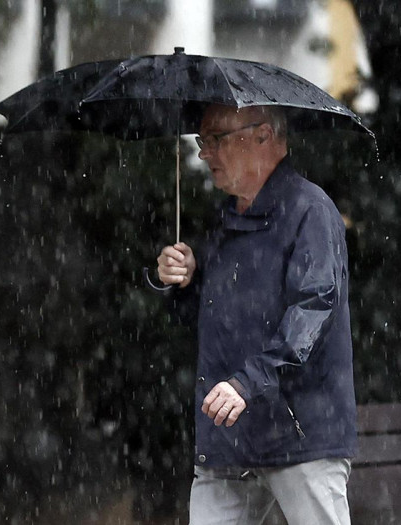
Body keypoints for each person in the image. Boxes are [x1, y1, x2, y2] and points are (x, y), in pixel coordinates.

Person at [155, 104, 356, 525]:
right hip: (229, 436)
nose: (203, 154)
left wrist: (248, 383)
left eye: (215, 140)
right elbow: (217, 321)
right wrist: (185, 282)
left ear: (264, 135)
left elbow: (314, 310)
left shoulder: (310, 210)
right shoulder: (228, 219)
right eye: (201, 141)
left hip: (299, 437)